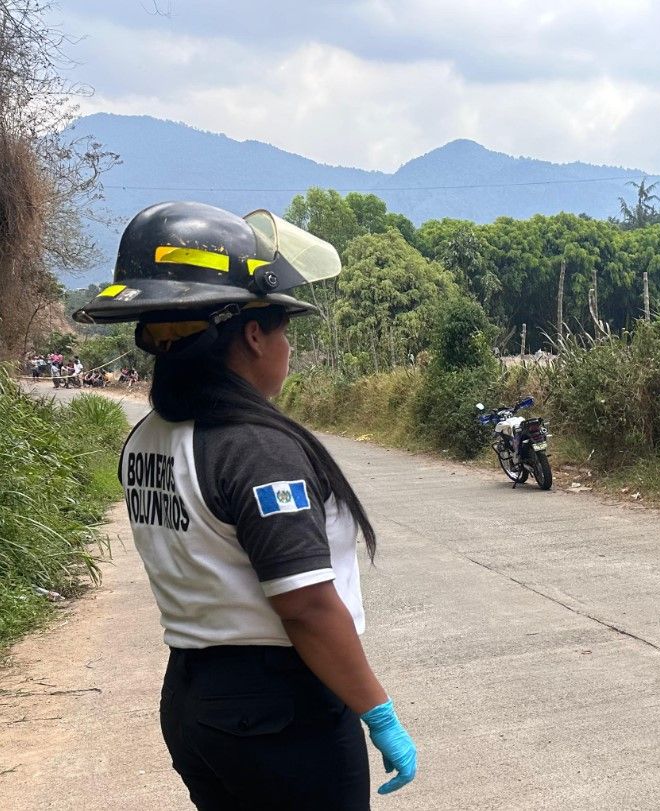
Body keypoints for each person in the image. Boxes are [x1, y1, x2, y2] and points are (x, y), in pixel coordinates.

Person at [73, 201, 417, 809]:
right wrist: (377, 712)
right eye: (284, 329)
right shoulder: (254, 448)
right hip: (279, 715)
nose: (287, 347)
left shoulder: (149, 436)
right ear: (254, 334)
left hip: (194, 700)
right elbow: (307, 603)